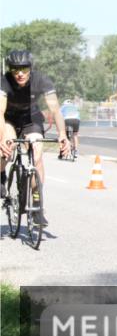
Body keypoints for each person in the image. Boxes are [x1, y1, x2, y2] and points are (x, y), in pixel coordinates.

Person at [0, 50, 70, 226]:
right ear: (10, 70)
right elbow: (0, 111)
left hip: (31, 118)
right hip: (9, 119)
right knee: (7, 148)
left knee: (37, 155)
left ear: (31, 68)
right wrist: (1, 139)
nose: (20, 73)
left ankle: (37, 206)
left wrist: (63, 134)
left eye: (24, 68)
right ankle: (1, 173)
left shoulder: (41, 80)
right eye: (15, 70)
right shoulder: (4, 81)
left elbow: (55, 110)